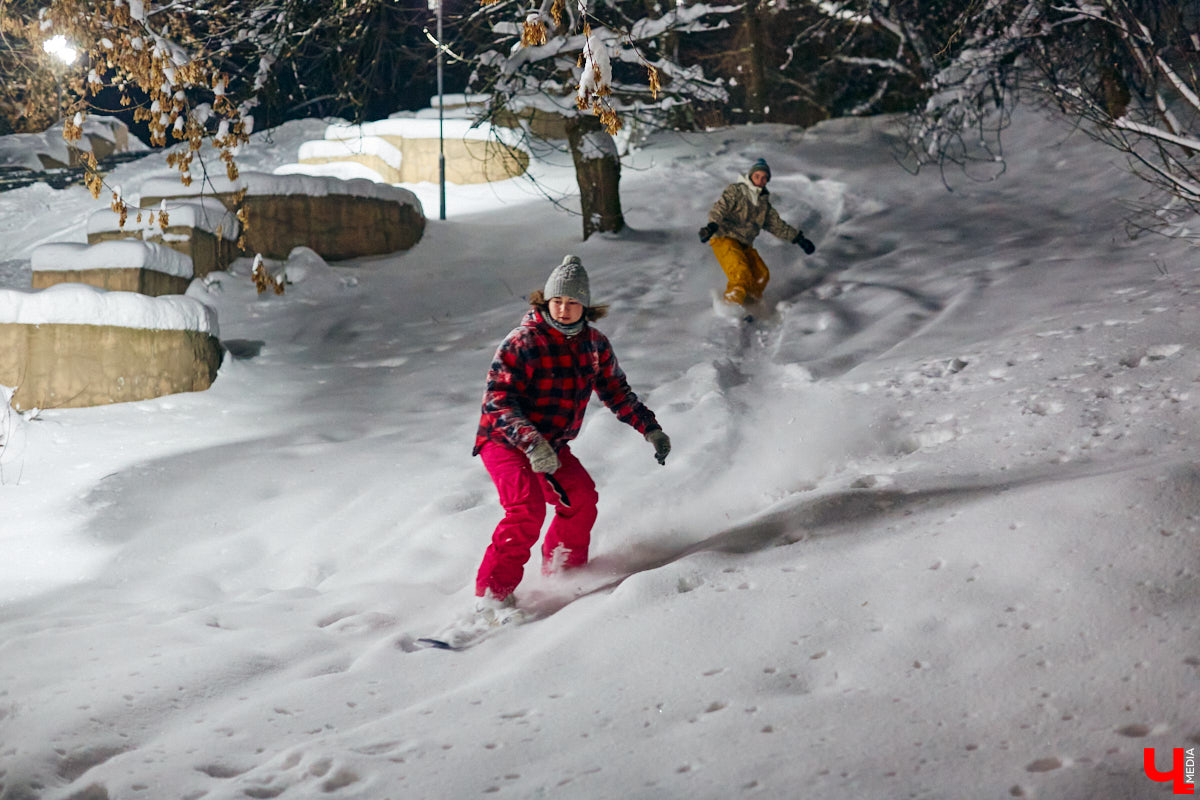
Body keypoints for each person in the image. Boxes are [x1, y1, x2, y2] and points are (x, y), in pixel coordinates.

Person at [471, 254, 671, 618]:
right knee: (526, 509)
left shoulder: (593, 344)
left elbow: (616, 391)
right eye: (557, 301)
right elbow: (497, 400)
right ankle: (492, 593)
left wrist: (650, 428)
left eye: (572, 302)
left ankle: (564, 572)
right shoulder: (523, 341)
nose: (563, 309)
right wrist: (533, 443)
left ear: (586, 306)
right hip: (505, 440)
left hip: (552, 443)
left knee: (580, 497)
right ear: (545, 302)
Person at [699, 157, 816, 307]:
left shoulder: (763, 204)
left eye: (764, 178)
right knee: (740, 273)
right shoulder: (736, 191)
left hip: (744, 245)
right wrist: (711, 226)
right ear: (750, 176)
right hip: (724, 238)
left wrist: (799, 239)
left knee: (761, 275)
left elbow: (777, 225)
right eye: (757, 176)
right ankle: (730, 307)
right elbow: (720, 208)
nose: (760, 180)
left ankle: (749, 304)